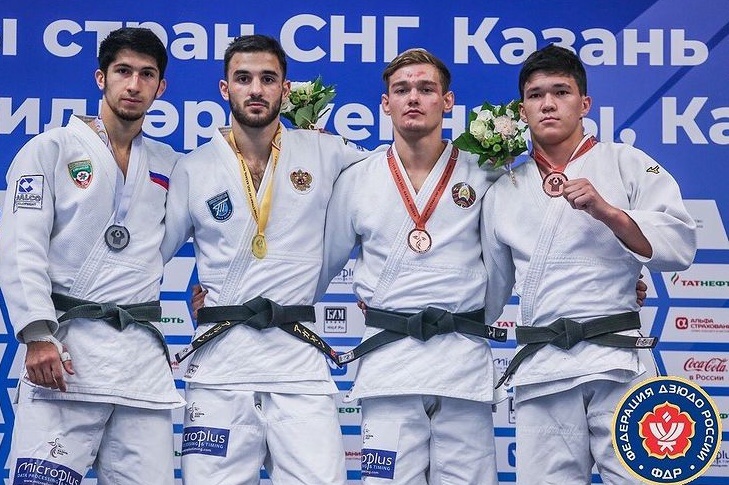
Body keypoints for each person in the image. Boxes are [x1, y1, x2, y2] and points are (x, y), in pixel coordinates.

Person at [481, 44, 697, 484]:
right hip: (543, 368)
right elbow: (490, 287)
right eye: (536, 95)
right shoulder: (504, 188)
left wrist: (609, 213)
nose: (548, 104)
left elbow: (679, 244)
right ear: (522, 111)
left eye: (561, 92)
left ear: (584, 104)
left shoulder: (626, 163)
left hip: (618, 360)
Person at [160, 34, 371, 484]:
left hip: (298, 365)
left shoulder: (326, 151)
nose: (255, 89)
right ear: (225, 88)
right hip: (221, 367)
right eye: (243, 78)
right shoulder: (193, 168)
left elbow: (389, 188)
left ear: (285, 89)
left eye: (268, 79)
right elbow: (148, 254)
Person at [0, 27, 183, 484]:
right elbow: (21, 246)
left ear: (160, 87)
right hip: (65, 357)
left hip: (140, 366)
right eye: (123, 71)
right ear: (101, 78)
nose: (134, 85)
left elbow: (222, 223)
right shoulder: (49, 150)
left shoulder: (169, 163)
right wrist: (38, 334)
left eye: (147, 75)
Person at [316, 48, 505, 484]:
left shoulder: (483, 174)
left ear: (447, 101)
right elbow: (321, 265)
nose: (413, 98)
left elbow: (504, 265)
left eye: (426, 89)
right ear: (386, 104)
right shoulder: (357, 178)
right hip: (388, 365)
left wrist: (478, 317)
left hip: (461, 363)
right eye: (401, 90)